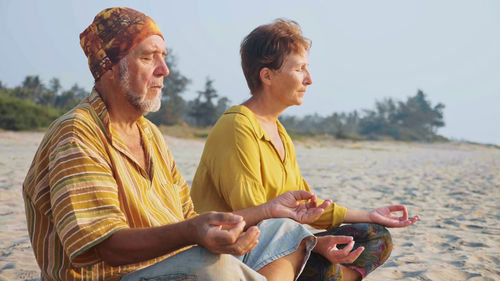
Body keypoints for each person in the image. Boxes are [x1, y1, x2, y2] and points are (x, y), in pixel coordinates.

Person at [22, 8, 334, 281]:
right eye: (147, 57)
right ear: (108, 67)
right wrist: (192, 233)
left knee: (281, 230)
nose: (164, 70)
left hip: (170, 267)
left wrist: (265, 212)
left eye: (163, 58)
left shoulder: (151, 135)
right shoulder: (77, 133)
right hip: (113, 276)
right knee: (213, 269)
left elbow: (187, 219)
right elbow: (107, 246)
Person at [190, 19, 420, 281]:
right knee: (322, 265)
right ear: (267, 76)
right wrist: (314, 243)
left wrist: (369, 214)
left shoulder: (279, 131)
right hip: (235, 251)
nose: (309, 80)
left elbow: (307, 207)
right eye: (300, 69)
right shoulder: (237, 126)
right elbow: (259, 219)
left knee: (376, 235)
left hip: (281, 239)